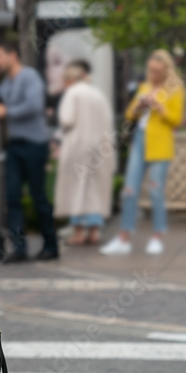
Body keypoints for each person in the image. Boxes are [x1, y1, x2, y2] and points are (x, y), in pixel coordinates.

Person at [100, 49, 184, 256]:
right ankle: (123, 237)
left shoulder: (176, 89)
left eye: (157, 71)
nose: (153, 74)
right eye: (151, 70)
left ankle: (157, 235)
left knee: (156, 191)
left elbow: (176, 120)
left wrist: (159, 106)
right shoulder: (144, 87)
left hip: (161, 144)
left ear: (166, 70)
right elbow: (129, 114)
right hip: (140, 141)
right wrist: (139, 105)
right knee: (129, 190)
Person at [0, 40, 59, 262]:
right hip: (15, 146)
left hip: (34, 144)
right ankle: (19, 248)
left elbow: (34, 105)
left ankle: (51, 245)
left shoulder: (29, 77)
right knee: (12, 195)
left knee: (38, 195)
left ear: (13, 55)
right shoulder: (6, 82)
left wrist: (6, 111)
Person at [53, 60, 115, 246]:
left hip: (77, 147)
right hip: (100, 147)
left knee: (76, 188)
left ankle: (78, 232)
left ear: (69, 79)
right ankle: (94, 231)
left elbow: (66, 119)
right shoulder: (98, 95)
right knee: (95, 189)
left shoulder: (73, 93)